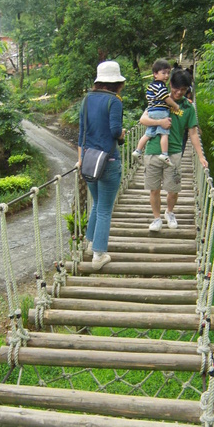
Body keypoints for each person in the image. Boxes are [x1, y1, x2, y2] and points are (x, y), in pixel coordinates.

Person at [140, 68, 208, 232]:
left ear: (187, 90)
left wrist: (200, 157)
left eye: (183, 89)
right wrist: (160, 123)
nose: (178, 92)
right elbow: (143, 119)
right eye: (176, 88)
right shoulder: (159, 99)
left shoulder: (188, 107)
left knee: (173, 189)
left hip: (175, 152)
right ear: (169, 84)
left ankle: (169, 212)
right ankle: (156, 218)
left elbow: (192, 133)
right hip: (153, 150)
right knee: (154, 189)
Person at [78, 61, 126, 270]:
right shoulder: (114, 101)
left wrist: (80, 159)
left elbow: (81, 133)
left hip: (89, 160)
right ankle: (98, 255)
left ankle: (90, 244)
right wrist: (122, 135)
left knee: (97, 203)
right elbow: (115, 131)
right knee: (105, 208)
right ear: (116, 82)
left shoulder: (86, 99)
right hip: (109, 160)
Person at [132, 59, 180, 165]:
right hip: (161, 112)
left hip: (152, 111)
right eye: (163, 73)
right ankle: (164, 154)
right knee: (164, 134)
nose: (166, 76)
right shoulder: (160, 86)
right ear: (155, 74)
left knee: (148, 134)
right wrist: (175, 105)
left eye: (168, 73)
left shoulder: (151, 86)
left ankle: (138, 151)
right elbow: (165, 98)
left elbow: (149, 97)